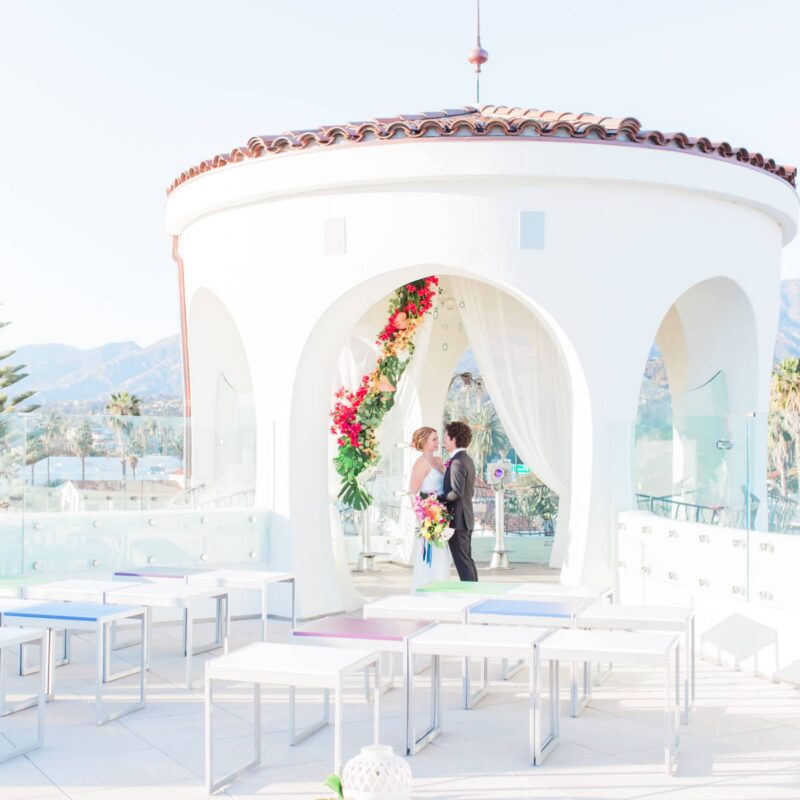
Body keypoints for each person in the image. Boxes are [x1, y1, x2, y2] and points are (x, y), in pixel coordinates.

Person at [408, 426, 452, 591]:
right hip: (429, 518)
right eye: (434, 439)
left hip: (443, 515)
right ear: (424, 442)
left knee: (442, 555)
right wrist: (423, 519)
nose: (437, 442)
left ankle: (441, 590)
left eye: (437, 439)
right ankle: (426, 591)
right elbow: (413, 494)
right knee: (431, 555)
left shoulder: (439, 460)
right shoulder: (421, 464)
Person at [440, 421, 478, 582]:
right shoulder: (465, 459)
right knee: (466, 561)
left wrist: (435, 498)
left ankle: (472, 594)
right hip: (465, 518)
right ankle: (475, 591)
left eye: (446, 437)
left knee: (463, 563)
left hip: (459, 520)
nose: (444, 440)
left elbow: (456, 493)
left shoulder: (457, 461)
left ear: (454, 439)